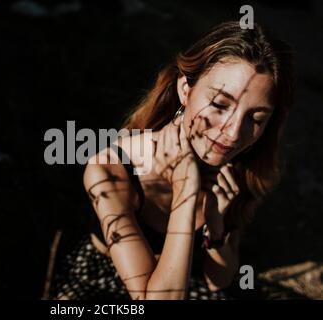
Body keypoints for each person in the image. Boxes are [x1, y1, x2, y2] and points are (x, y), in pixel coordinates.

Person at [49, 21, 294, 300]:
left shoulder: (236, 166)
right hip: (101, 285)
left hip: (184, 283)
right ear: (185, 90)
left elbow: (220, 281)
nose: (234, 132)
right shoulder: (111, 168)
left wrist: (216, 229)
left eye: (256, 118)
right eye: (219, 105)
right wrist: (185, 193)